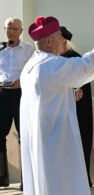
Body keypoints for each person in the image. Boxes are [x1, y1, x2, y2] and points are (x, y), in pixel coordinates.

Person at [20, 16, 94, 195]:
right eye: (59, 36)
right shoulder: (49, 65)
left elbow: (47, 96)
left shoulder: (29, 67)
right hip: (56, 143)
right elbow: (86, 67)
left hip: (42, 140)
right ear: (48, 40)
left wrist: (69, 95)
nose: (64, 40)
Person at [0, 17, 34, 190]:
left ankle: (26, 180)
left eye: (15, 28)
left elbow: (35, 70)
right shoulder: (0, 49)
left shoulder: (29, 50)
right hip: (2, 94)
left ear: (21, 31)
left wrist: (22, 81)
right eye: (8, 28)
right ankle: (1, 178)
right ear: (4, 29)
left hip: (21, 94)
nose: (11, 31)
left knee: (25, 137)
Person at [60, 26, 94, 187]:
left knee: (78, 145)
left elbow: (81, 85)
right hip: (60, 113)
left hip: (76, 113)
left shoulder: (75, 59)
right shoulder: (54, 60)